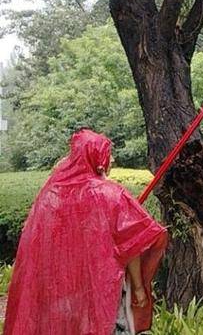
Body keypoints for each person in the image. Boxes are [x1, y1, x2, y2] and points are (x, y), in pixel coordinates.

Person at [3, 129, 168, 335]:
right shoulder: (112, 195)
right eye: (108, 154)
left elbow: (36, 241)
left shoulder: (50, 195)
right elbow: (133, 243)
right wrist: (138, 288)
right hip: (102, 291)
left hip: (59, 292)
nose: (112, 159)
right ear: (96, 158)